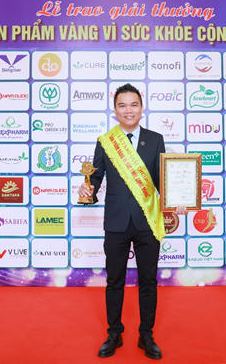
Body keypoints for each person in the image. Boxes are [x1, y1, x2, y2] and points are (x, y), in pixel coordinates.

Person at [78, 84, 185, 359]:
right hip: (115, 222)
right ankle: (114, 333)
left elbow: (162, 178)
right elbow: (96, 177)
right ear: (115, 110)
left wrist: (177, 199)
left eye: (133, 104)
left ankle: (146, 334)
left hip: (147, 221)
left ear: (142, 107)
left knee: (148, 280)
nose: (128, 110)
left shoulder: (155, 139)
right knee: (114, 281)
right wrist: (88, 190)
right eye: (122, 105)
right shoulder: (106, 141)